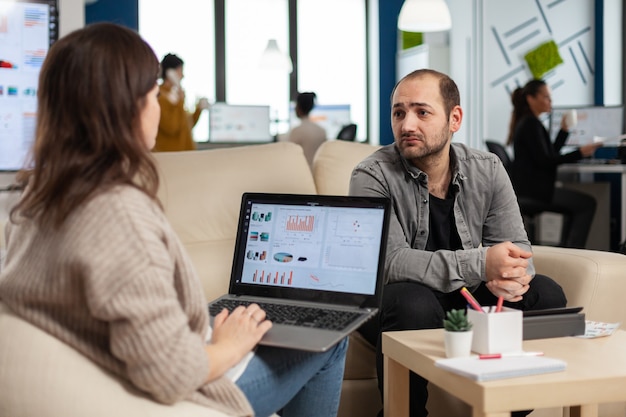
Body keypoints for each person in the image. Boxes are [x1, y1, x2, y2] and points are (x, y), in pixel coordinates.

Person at [0, 23, 347, 417]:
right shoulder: (116, 215)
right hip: (188, 390)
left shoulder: (37, 199)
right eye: (152, 93)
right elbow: (171, 374)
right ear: (125, 106)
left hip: (123, 366)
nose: (159, 105)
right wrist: (230, 345)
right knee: (331, 338)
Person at [349, 69, 567, 417]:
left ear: (455, 118)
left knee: (546, 293)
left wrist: (511, 275)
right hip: (401, 302)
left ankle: (507, 409)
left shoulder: (488, 168)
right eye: (399, 112)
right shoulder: (371, 175)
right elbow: (387, 262)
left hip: (470, 298)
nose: (407, 125)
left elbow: (519, 252)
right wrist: (481, 264)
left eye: (422, 112)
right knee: (413, 303)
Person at [507, 79, 601, 248]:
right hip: (536, 192)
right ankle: (573, 253)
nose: (551, 102)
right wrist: (580, 152)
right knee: (586, 204)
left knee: (582, 204)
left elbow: (549, 153)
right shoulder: (531, 124)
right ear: (531, 99)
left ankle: (569, 250)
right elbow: (547, 161)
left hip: (531, 189)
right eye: (546, 97)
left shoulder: (529, 123)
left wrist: (564, 131)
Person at [153, 53, 209, 152]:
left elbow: (186, 125)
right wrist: (179, 101)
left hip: (185, 155)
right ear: (170, 72)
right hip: (171, 158)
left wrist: (198, 110)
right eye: (180, 71)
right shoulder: (159, 96)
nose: (183, 75)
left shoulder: (176, 95)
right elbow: (171, 127)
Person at [288, 92, 327, 168]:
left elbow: (289, 156)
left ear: (299, 107)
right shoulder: (322, 131)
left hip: (302, 173)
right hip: (318, 172)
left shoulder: (297, 131)